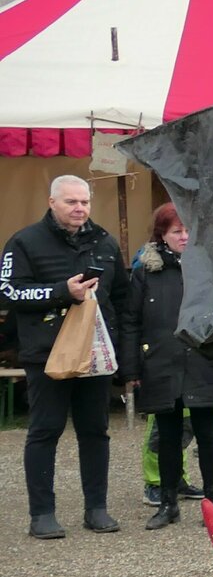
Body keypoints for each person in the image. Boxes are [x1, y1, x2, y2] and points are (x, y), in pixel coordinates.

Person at [3, 175, 131, 539]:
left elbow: (121, 298)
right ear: (52, 202)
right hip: (47, 354)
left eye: (84, 202)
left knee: (96, 431)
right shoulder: (24, 242)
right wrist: (62, 291)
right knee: (45, 431)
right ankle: (42, 514)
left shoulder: (105, 241)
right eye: (71, 202)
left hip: (95, 353)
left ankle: (97, 508)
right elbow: (8, 292)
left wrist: (122, 351)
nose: (79, 208)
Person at [121, 205, 213, 529]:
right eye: (176, 231)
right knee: (167, 437)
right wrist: (131, 370)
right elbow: (131, 321)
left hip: (204, 361)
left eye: (188, 230)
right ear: (162, 235)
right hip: (162, 362)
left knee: (207, 435)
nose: (184, 236)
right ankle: (168, 503)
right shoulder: (145, 273)